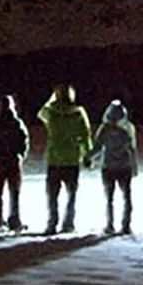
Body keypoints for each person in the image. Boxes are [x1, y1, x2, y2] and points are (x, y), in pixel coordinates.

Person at [37, 83, 92, 235]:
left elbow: (40, 114)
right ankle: (68, 223)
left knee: (52, 195)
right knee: (71, 195)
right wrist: (87, 154)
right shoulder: (79, 113)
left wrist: (51, 99)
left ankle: (52, 223)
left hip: (54, 159)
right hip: (72, 158)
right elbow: (85, 135)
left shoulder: (50, 112)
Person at [89, 99, 139, 235]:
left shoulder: (104, 128)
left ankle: (109, 224)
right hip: (125, 166)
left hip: (108, 166)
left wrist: (89, 157)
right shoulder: (128, 127)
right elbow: (132, 148)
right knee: (126, 197)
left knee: (109, 198)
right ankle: (126, 225)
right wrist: (134, 165)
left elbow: (98, 146)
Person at [0, 94, 30, 232]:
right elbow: (25, 141)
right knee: (14, 192)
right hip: (13, 162)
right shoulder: (16, 123)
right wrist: (20, 156)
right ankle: (14, 220)